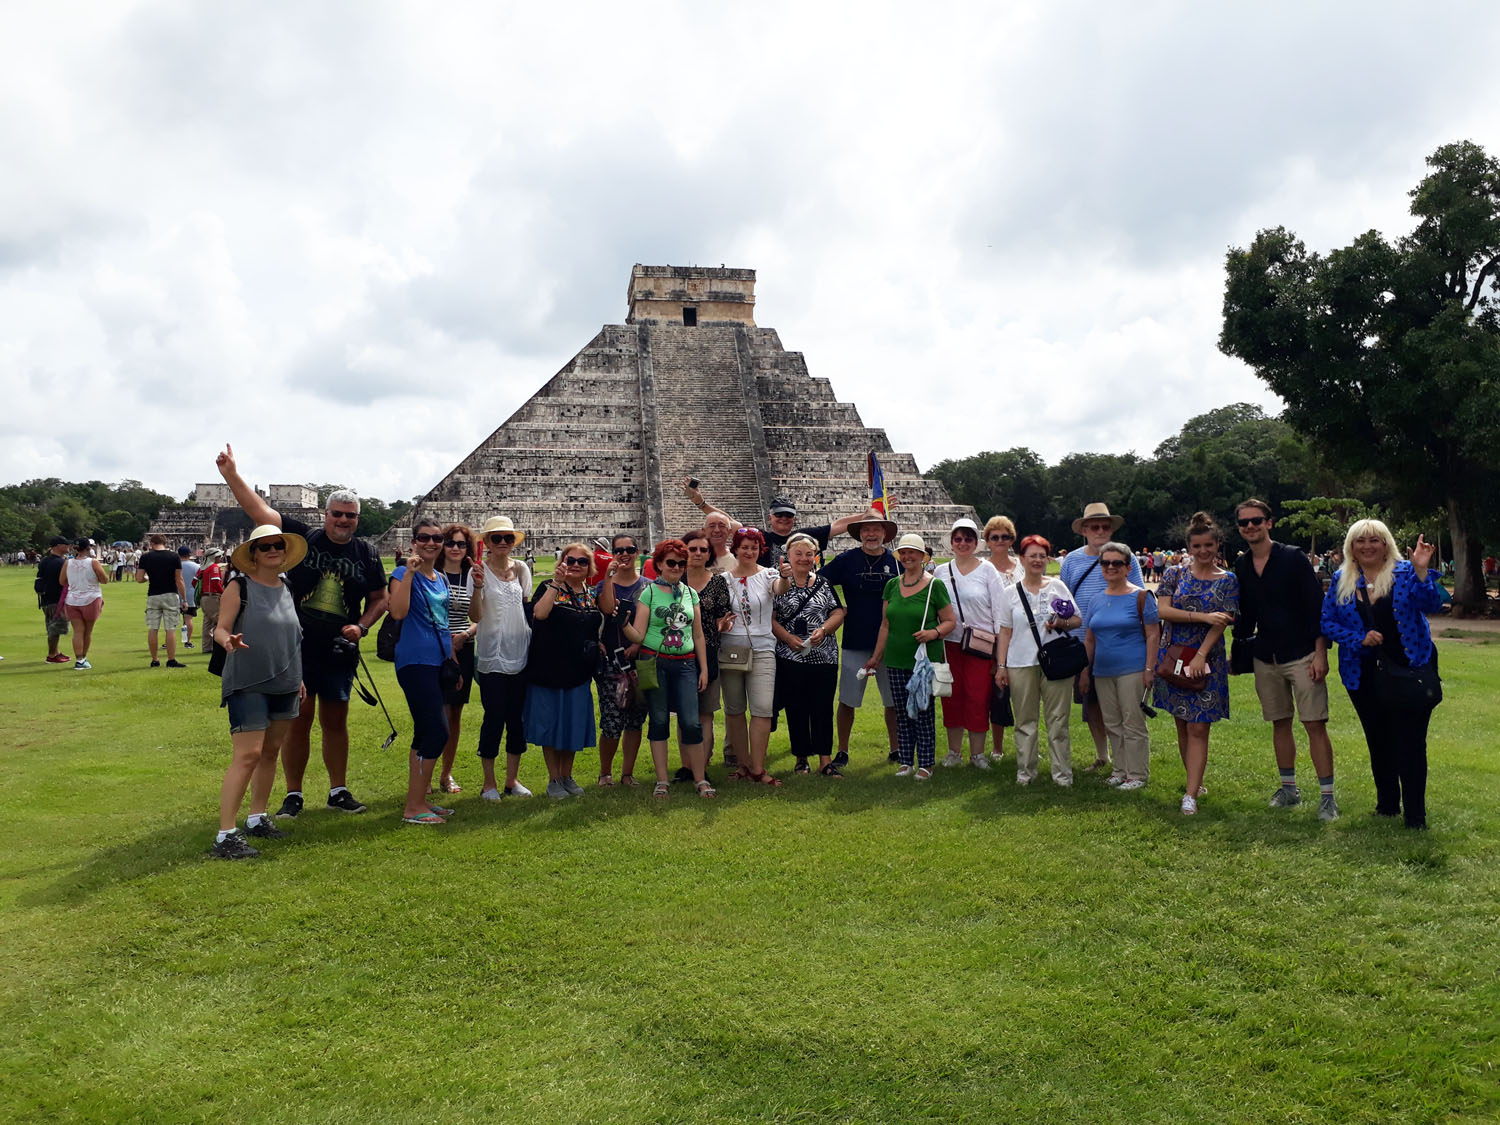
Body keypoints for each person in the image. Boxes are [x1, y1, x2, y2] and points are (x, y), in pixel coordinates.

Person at [216, 446, 388, 818]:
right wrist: (231, 475)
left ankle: (338, 789)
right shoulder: (302, 537)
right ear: (326, 515)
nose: (343, 521)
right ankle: (293, 793)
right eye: (337, 514)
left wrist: (362, 626)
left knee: (336, 721)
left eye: (350, 516)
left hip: (340, 646)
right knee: (297, 721)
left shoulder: (367, 554)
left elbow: (379, 597)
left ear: (358, 519)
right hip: (296, 647)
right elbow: (259, 512)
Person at [1320, 521, 1442, 829]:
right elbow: (1327, 622)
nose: (1367, 546)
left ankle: (1416, 815)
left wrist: (1423, 572)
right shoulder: (1341, 579)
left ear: (1386, 544)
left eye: (1375, 540)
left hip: (1409, 669)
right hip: (1361, 674)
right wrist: (1357, 638)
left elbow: (1433, 604)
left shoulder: (1406, 573)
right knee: (1379, 739)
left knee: (1411, 743)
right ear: (1351, 546)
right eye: (1360, 541)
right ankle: (1387, 804)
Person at [1232, 499, 1339, 820]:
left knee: (1314, 724)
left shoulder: (1293, 558)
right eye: (1244, 523)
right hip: (1266, 655)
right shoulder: (1242, 565)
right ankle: (1289, 788)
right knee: (1280, 722)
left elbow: (1315, 607)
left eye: (1256, 521)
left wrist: (1321, 653)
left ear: (1269, 523)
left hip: (1303, 654)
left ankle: (1327, 797)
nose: (1250, 526)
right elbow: (1245, 616)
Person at [210, 525, 308, 858]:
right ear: (253, 555)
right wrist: (229, 642)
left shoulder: (286, 587)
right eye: (264, 547)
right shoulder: (240, 586)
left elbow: (292, 635)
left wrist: (299, 678)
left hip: (286, 680)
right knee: (248, 754)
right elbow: (220, 629)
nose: (272, 551)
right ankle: (225, 834)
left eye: (277, 545)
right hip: (248, 680)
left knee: (271, 751)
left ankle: (257, 817)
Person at [1153, 513, 1240, 816]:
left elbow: (1224, 621)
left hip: (1208, 659)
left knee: (1199, 727)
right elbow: (1163, 610)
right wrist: (1203, 617)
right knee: (1181, 722)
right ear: (1188, 546)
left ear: (1218, 545)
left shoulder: (1228, 580)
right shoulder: (1175, 573)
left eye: (1209, 545)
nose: (1203, 551)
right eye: (1197, 545)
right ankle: (1195, 781)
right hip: (1174, 656)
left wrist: (1202, 655)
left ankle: (1190, 795)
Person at [624, 539, 715, 798]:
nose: (676, 568)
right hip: (656, 662)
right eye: (671, 563)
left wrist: (704, 668)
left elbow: (698, 635)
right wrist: (623, 625)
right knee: (660, 720)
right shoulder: (649, 593)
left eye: (680, 563)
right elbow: (639, 636)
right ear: (659, 565)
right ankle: (662, 780)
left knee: (691, 722)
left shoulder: (690, 593)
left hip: (685, 662)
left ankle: (699, 778)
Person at [862, 532, 957, 779]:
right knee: (902, 711)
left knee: (923, 710)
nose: (907, 557)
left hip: (923, 660)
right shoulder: (892, 585)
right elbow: (885, 624)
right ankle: (906, 761)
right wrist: (876, 657)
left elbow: (950, 621)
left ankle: (926, 763)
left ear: (922, 557)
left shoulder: (935, 585)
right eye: (903, 553)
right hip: (895, 657)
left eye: (912, 553)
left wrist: (933, 632)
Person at [1060, 504, 1144, 774]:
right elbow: (1062, 600)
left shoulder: (1123, 555)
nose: (1099, 531)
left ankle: (1130, 762)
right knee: (1092, 703)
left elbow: (1140, 595)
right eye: (1093, 527)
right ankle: (1102, 754)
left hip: (1120, 643)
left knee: (1124, 704)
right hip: (1081, 642)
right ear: (1084, 530)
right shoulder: (1072, 560)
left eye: (1104, 527)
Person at [388, 519, 459, 825]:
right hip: (416, 659)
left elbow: (443, 623)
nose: (431, 543)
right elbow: (398, 612)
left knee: (425, 732)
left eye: (437, 538)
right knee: (437, 730)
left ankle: (419, 800)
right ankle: (413, 806)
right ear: (414, 540)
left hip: (439, 659)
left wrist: (453, 661)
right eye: (424, 537)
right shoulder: (403, 573)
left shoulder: (441, 578)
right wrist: (410, 573)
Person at [995, 535, 1081, 787]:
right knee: (1025, 721)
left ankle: (1062, 774)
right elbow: (1004, 631)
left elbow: (1077, 619)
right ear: (1022, 559)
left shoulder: (1057, 587)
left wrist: (1061, 622)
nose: (1037, 560)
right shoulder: (1010, 593)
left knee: (1058, 720)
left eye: (1042, 556)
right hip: (1021, 661)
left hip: (1055, 662)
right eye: (1032, 555)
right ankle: (1026, 771)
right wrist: (1001, 665)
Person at [820, 508, 901, 766]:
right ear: (859, 534)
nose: (871, 534)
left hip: (890, 641)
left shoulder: (897, 562)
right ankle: (843, 749)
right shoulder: (847, 560)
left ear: (885, 534)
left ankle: (896, 748)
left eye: (876, 529)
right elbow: (820, 583)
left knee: (893, 700)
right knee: (848, 699)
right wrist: (836, 608)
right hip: (855, 639)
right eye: (866, 529)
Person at [525, 542, 604, 798]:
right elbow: (539, 614)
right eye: (571, 561)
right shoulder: (549, 586)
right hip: (549, 667)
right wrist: (557, 583)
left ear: (589, 566)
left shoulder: (591, 594)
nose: (576, 566)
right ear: (562, 562)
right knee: (551, 725)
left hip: (578, 670)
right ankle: (553, 779)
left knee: (572, 725)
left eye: (582, 562)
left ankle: (567, 775)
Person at [1079, 542, 1160, 791]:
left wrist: (1149, 669)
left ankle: (1137, 773)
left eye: (1117, 563)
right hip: (1103, 670)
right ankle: (1120, 769)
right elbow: (1090, 638)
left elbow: (1153, 635)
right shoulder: (1096, 600)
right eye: (1105, 563)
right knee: (1112, 722)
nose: (1110, 567)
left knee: (1132, 721)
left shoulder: (1141, 596)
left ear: (1127, 567)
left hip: (1132, 668)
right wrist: (1085, 670)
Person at [467, 516, 533, 800]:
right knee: (494, 717)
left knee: (517, 719)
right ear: (487, 543)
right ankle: (488, 783)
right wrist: (480, 586)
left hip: (520, 651)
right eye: (497, 538)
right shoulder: (478, 572)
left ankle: (512, 779)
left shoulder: (521, 569)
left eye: (508, 538)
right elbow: (475, 617)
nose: (503, 543)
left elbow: (526, 605)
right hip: (492, 654)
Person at [934, 518, 1007, 769]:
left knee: (978, 697)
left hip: (981, 644)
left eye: (968, 539)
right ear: (952, 543)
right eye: (958, 539)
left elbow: (999, 612)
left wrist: (999, 655)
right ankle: (954, 752)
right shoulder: (942, 572)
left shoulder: (987, 571)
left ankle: (977, 753)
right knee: (951, 696)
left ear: (976, 543)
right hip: (950, 644)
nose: (963, 543)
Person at [772, 533, 847, 776]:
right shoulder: (778, 583)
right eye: (798, 554)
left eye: (808, 554)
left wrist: (824, 630)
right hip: (790, 655)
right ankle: (801, 757)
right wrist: (787, 637)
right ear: (788, 557)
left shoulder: (823, 583)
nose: (804, 559)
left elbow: (838, 612)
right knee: (797, 707)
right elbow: (770, 619)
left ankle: (825, 759)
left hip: (823, 656)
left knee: (822, 707)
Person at [720, 527, 791, 785]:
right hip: (731, 650)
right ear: (735, 549)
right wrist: (721, 624)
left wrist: (785, 577)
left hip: (762, 649)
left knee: (762, 709)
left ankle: (758, 768)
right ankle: (743, 764)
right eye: (744, 547)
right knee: (735, 710)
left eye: (754, 547)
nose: (749, 552)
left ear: (760, 550)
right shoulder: (724, 580)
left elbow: (780, 589)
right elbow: (716, 613)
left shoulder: (769, 574)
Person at [684, 480, 866, 568]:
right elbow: (726, 522)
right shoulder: (760, 537)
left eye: (788, 515)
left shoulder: (803, 537)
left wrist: (869, 514)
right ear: (770, 517)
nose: (783, 518)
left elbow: (840, 525)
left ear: (794, 518)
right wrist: (700, 503)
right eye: (779, 515)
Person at [594, 534, 649, 787]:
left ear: (637, 552)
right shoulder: (604, 585)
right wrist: (608, 577)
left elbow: (652, 623)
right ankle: (605, 772)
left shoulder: (649, 587)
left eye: (630, 549)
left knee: (635, 720)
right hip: (611, 661)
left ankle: (627, 773)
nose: (625, 554)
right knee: (612, 721)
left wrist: (638, 643)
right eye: (619, 550)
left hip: (640, 660)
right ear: (612, 553)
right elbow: (606, 609)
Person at [682, 528, 733, 777]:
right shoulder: (674, 580)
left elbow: (724, 613)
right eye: (693, 549)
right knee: (685, 712)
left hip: (708, 653)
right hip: (678, 654)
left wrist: (722, 625)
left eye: (703, 549)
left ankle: (701, 765)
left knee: (705, 713)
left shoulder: (717, 582)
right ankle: (686, 766)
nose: (698, 553)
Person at [432, 523, 479, 795]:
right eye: (450, 543)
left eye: (461, 544)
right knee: (432, 712)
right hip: (434, 647)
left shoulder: (472, 575)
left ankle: (446, 774)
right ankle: (426, 770)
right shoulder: (433, 574)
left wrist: (465, 634)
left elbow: (481, 615)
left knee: (454, 715)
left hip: (464, 646)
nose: (455, 548)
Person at [982, 515, 1025, 764]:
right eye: (994, 537)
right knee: (997, 695)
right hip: (994, 638)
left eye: (1005, 537)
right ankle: (997, 748)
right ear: (987, 541)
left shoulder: (1021, 565)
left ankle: (1025, 743)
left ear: (1012, 539)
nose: (1000, 541)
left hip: (1022, 638)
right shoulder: (983, 568)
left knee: (1024, 694)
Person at [137, 533, 186, 668]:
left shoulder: (145, 557)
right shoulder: (174, 556)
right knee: (170, 629)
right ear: (165, 543)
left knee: (153, 628)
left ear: (152, 543)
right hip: (170, 593)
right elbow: (179, 580)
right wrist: (184, 599)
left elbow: (139, 578)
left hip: (153, 594)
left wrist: (147, 578)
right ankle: (171, 659)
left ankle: (155, 659)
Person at [59, 538, 108, 669]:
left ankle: (79, 659)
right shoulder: (93, 562)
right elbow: (104, 580)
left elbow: (62, 581)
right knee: (88, 631)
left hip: (73, 599)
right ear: (88, 548)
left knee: (78, 632)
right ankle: (83, 658)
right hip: (91, 597)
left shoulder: (67, 563)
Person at [35, 537, 72, 663]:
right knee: (55, 627)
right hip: (56, 598)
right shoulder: (60, 563)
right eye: (66, 545)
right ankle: (52, 655)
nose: (68, 547)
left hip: (46, 598)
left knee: (52, 625)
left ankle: (56, 651)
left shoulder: (45, 561)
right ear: (58, 546)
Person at [199, 548, 226, 661]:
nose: (220, 558)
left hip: (204, 597)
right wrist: (224, 593)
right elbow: (216, 583)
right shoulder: (214, 567)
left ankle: (206, 647)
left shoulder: (202, 568)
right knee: (220, 621)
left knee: (207, 623)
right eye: (219, 556)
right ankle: (223, 645)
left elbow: (194, 582)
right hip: (212, 597)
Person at [178, 546, 200, 649]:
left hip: (176, 595)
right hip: (191, 595)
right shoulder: (196, 566)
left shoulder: (175, 566)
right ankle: (187, 641)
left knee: (173, 620)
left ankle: (168, 641)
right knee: (188, 619)